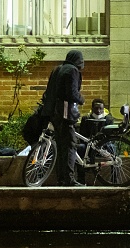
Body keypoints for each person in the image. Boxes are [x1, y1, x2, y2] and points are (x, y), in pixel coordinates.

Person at [42, 50, 86, 186]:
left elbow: (48, 91)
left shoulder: (57, 69)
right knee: (70, 146)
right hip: (66, 114)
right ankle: (69, 179)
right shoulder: (72, 71)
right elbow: (72, 93)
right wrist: (81, 99)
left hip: (54, 113)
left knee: (61, 147)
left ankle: (61, 179)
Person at [76, 98, 114, 183]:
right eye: (96, 108)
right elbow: (82, 134)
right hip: (88, 146)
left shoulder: (108, 119)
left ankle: (115, 179)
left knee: (112, 149)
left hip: (104, 146)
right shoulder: (86, 118)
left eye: (101, 108)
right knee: (80, 148)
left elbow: (111, 136)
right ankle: (81, 179)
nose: (99, 111)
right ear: (92, 108)